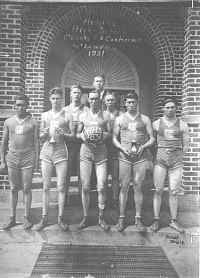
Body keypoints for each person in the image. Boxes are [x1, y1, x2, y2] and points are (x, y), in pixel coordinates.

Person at [113, 91, 155, 232]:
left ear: (137, 102)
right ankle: (121, 219)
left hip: (140, 157)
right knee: (123, 186)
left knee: (138, 186)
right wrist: (121, 147)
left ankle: (138, 219)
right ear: (125, 103)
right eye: (128, 102)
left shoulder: (145, 119)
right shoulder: (119, 119)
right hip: (124, 156)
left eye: (133, 102)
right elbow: (114, 137)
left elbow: (152, 138)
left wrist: (143, 146)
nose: (131, 104)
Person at [150, 97, 189, 233]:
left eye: (172, 107)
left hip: (176, 162)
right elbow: (151, 142)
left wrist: (177, 155)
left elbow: (186, 145)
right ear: (163, 108)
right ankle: (156, 220)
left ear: (176, 108)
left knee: (174, 191)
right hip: (160, 160)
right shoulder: (156, 124)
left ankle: (174, 221)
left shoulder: (183, 124)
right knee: (158, 190)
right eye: (167, 107)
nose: (170, 109)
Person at [0, 94, 39, 230]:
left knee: (27, 188)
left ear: (27, 106)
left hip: (28, 157)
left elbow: (36, 142)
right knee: (13, 188)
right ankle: (12, 217)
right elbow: (4, 142)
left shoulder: (33, 122)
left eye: (22, 104)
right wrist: (2, 161)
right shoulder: (9, 122)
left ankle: (26, 217)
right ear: (15, 106)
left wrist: (36, 161)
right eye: (17, 105)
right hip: (12, 158)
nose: (20, 107)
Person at [35, 87, 71, 231]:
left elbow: (72, 135)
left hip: (61, 151)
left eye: (58, 98)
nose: (56, 101)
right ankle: (44, 218)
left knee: (61, 186)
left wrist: (64, 133)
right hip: (47, 151)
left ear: (61, 100)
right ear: (50, 99)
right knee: (46, 186)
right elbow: (40, 136)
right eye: (53, 98)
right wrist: (43, 134)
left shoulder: (67, 115)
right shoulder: (45, 115)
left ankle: (60, 218)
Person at [77, 90, 111, 231]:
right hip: (86, 151)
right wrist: (85, 138)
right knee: (85, 186)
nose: (93, 101)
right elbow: (78, 133)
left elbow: (109, 132)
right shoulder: (83, 115)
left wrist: (101, 137)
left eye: (96, 99)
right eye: (91, 99)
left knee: (102, 185)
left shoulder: (106, 115)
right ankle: (85, 217)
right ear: (88, 100)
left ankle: (101, 217)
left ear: (100, 100)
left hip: (101, 151)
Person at [63, 85, 89, 198]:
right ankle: (65, 198)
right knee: (66, 171)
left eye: (78, 93)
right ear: (70, 94)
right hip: (68, 144)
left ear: (81, 95)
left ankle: (81, 198)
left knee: (81, 172)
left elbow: (89, 126)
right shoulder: (64, 110)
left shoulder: (86, 109)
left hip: (81, 144)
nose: (76, 95)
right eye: (74, 92)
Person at [103, 92, 120, 208]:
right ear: (104, 102)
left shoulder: (121, 115)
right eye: (108, 100)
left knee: (115, 176)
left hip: (116, 148)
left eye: (112, 100)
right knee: (103, 177)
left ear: (115, 101)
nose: (110, 102)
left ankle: (115, 199)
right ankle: (103, 200)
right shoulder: (101, 114)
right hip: (103, 147)